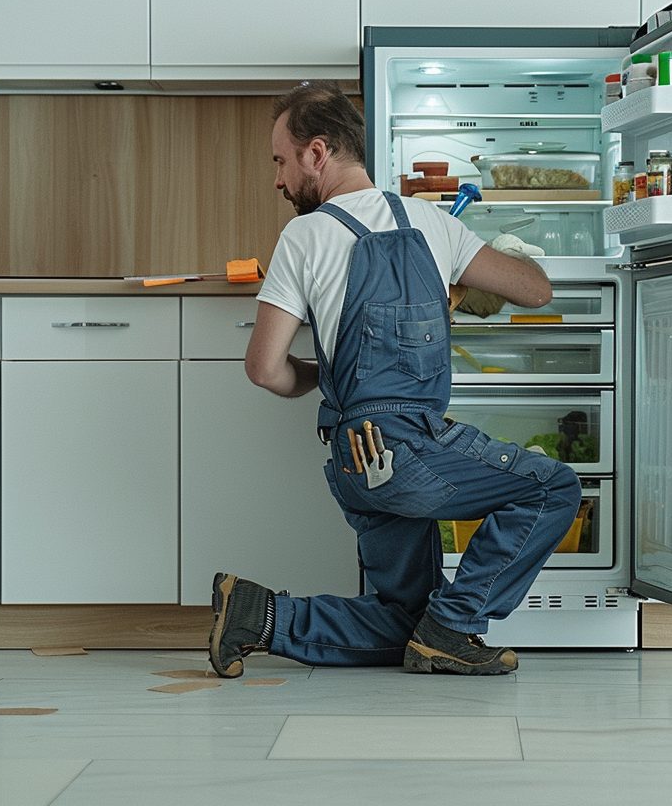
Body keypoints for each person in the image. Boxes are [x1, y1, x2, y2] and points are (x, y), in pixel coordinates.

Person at [208, 81, 582, 677]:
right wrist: (490, 259)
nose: (278, 179)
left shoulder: (304, 237)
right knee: (552, 488)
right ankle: (456, 626)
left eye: (280, 161)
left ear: (317, 152)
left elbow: (265, 369)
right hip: (411, 447)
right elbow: (535, 289)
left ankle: (260, 615)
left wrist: (320, 374)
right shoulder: (433, 223)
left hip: (355, 459)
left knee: (405, 620)